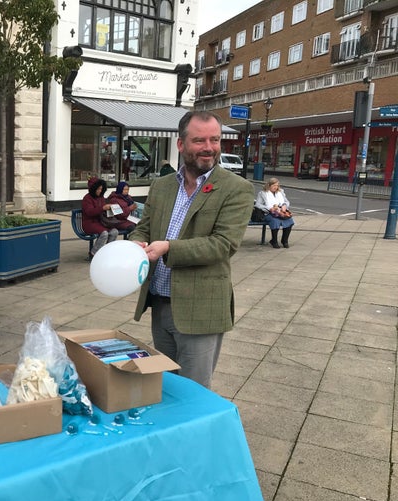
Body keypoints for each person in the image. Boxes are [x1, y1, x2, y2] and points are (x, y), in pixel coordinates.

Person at [129, 111, 254, 389]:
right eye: (199, 140)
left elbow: (223, 244)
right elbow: (144, 228)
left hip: (201, 308)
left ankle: (195, 434)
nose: (209, 147)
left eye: (215, 139)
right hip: (160, 302)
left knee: (194, 392)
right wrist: (136, 242)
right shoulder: (161, 186)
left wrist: (168, 248)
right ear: (181, 144)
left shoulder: (236, 189)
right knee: (165, 386)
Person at [82, 177, 119, 256]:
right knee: (104, 233)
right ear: (93, 188)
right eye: (98, 189)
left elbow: (104, 210)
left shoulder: (101, 198)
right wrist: (102, 208)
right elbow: (89, 212)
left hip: (101, 222)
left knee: (114, 232)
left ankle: (107, 252)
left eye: (101, 189)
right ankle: (93, 253)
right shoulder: (87, 198)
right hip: (89, 223)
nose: (100, 191)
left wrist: (111, 209)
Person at [255, 177, 295, 248]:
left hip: (281, 212)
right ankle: (274, 240)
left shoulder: (281, 192)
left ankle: (284, 240)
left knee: (289, 220)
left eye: (277, 185)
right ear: (269, 185)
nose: (275, 187)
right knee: (275, 221)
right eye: (274, 185)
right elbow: (258, 204)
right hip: (268, 213)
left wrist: (284, 205)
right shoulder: (262, 193)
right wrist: (269, 208)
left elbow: (286, 201)